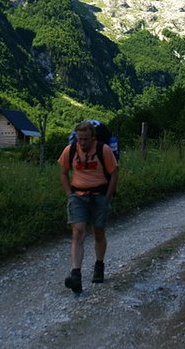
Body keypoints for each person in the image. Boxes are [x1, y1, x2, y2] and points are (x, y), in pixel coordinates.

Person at [58, 120, 119, 294]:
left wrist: (107, 197)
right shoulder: (70, 151)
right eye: (80, 139)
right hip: (78, 196)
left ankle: (99, 265)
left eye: (85, 139)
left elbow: (114, 174)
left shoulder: (104, 150)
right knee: (78, 232)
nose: (82, 143)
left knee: (98, 231)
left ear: (93, 138)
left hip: (99, 195)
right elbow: (63, 172)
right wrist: (70, 193)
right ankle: (75, 274)